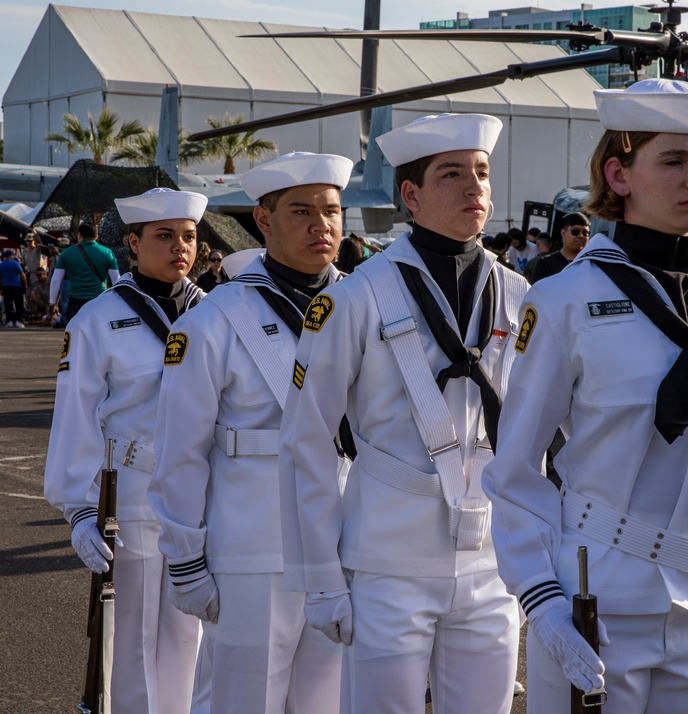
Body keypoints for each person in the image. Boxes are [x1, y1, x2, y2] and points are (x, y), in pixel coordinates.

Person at [483, 79, 688, 714]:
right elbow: (514, 469)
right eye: (673, 161)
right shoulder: (563, 301)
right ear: (618, 175)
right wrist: (540, 598)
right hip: (600, 600)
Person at [279, 113, 528, 714]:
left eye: (482, 173)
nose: (475, 188)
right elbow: (307, 442)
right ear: (410, 196)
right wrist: (320, 577)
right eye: (452, 174)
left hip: (492, 563)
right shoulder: (354, 297)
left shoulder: (521, 296)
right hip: (387, 561)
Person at [149, 152, 352, 714]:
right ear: (263, 221)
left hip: (346, 546)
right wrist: (186, 560)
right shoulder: (213, 322)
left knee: (328, 703)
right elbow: (181, 453)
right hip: (253, 551)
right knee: (243, 700)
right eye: (301, 211)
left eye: (332, 211)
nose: (322, 226)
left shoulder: (366, 308)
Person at [44, 187, 210, 713]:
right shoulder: (96, 321)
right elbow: (75, 420)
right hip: (133, 496)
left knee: (195, 637)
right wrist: (79, 510)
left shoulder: (217, 313)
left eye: (188, 237)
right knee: (132, 642)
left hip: (203, 495)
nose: (180, 248)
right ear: (133, 244)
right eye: (164, 237)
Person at [49, 223, 121, 323]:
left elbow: (56, 281)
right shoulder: (107, 253)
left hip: (75, 303)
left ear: (79, 235)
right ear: (96, 236)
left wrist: (52, 303)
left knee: (74, 336)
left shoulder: (66, 253)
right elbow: (116, 280)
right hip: (99, 301)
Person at [529, 212, 591, 284]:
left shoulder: (592, 264)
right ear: (563, 233)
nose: (581, 236)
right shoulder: (545, 264)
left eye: (585, 233)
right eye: (575, 232)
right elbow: (537, 293)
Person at [1, 249, 27, 327]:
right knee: (18, 303)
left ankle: (9, 321)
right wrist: (25, 283)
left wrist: (1, 287)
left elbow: (0, 277)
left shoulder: (1, 265)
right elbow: (22, 274)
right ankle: (19, 321)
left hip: (6, 286)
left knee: (8, 304)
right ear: (10, 256)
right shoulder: (15, 263)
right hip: (16, 286)